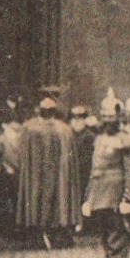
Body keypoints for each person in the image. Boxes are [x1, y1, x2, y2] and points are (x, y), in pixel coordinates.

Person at [82, 93, 130, 258]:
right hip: (101, 198)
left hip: (117, 199)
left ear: (118, 117)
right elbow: (96, 170)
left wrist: (129, 198)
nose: (108, 121)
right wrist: (89, 198)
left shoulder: (127, 138)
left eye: (111, 118)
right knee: (108, 242)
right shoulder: (100, 138)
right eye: (104, 117)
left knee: (117, 242)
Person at [16, 89, 82, 248]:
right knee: (60, 197)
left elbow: (21, 156)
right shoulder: (65, 130)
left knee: (36, 197)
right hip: (59, 174)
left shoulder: (29, 128)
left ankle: (38, 234)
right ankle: (58, 233)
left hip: (37, 175)